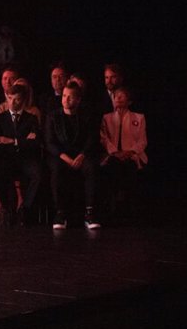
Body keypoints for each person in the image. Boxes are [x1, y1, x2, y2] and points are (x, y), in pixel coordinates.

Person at [45, 81, 101, 230]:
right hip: (61, 155)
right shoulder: (53, 116)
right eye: (64, 96)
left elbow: (91, 138)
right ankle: (60, 213)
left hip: (80, 154)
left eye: (70, 97)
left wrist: (82, 155)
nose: (65, 100)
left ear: (78, 100)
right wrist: (65, 157)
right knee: (56, 170)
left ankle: (90, 213)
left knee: (91, 168)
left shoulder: (86, 116)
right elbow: (49, 142)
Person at [0, 84, 42, 226]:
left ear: (23, 101)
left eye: (17, 99)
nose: (13, 103)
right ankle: (9, 208)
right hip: (6, 159)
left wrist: (12, 141)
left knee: (37, 174)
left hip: (26, 159)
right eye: (10, 98)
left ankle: (25, 208)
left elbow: (36, 143)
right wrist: (24, 140)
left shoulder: (31, 118)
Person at [99, 86, 147, 217]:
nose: (118, 98)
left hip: (132, 155)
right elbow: (104, 138)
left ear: (129, 101)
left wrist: (130, 152)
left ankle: (129, 207)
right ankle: (114, 204)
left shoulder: (139, 118)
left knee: (130, 167)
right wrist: (115, 152)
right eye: (115, 96)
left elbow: (142, 141)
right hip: (113, 155)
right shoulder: (106, 118)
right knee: (113, 166)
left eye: (122, 96)